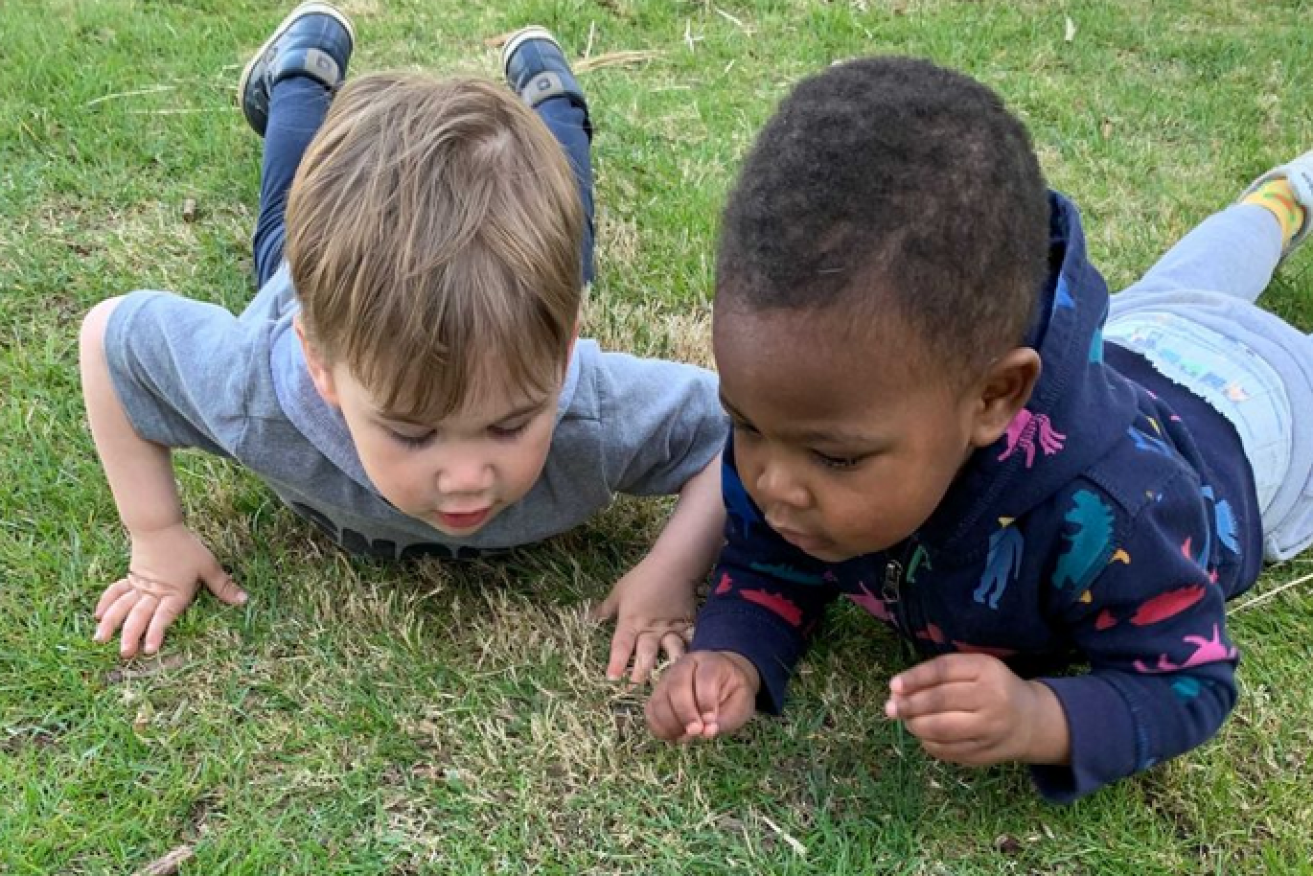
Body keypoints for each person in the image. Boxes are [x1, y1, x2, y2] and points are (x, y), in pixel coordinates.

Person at [643, 55, 1313, 802]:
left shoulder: (1119, 514)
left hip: (1266, 418)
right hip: (1142, 337)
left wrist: (1041, 716)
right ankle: (1280, 204)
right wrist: (732, 650)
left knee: (1198, 302)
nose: (771, 483)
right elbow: (767, 559)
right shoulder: (805, 418)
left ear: (994, 397)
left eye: (834, 457)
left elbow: (1191, 680)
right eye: (745, 425)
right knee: (1186, 282)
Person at [79, 2, 728, 683]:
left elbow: (731, 434)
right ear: (320, 367)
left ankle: (553, 100)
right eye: (414, 434)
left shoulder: (597, 412)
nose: (467, 476)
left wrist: (670, 569)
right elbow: (108, 340)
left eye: (510, 423)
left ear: (563, 355)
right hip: (301, 280)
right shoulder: (249, 387)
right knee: (279, 221)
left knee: (573, 240)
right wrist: (156, 536)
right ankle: (303, 67)